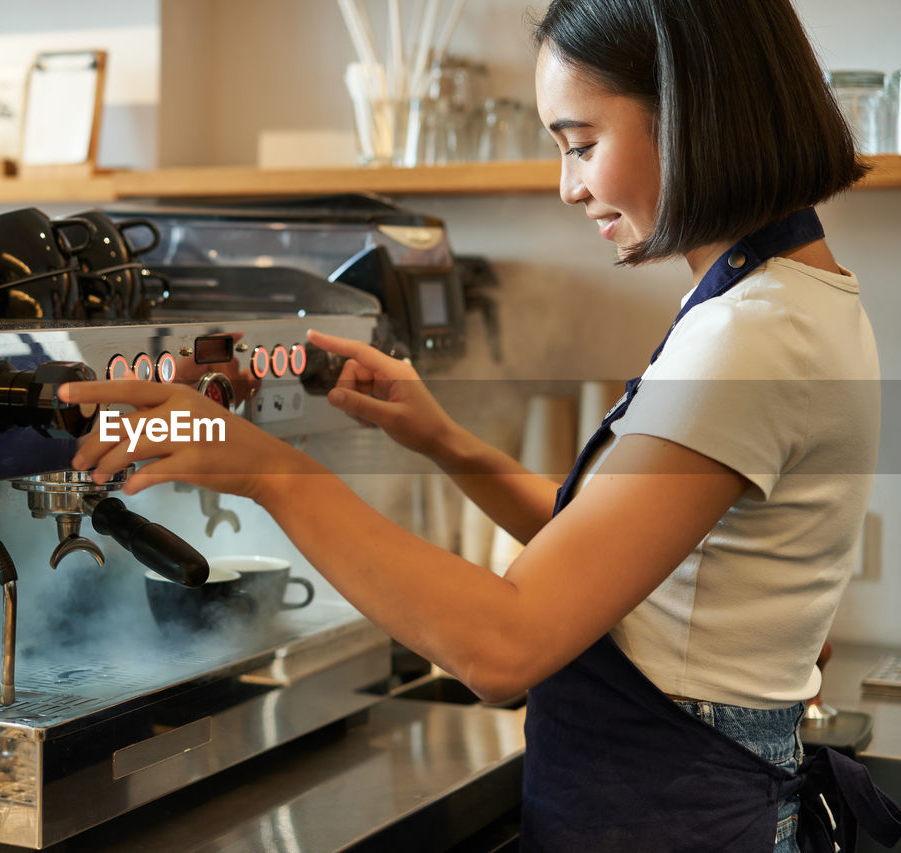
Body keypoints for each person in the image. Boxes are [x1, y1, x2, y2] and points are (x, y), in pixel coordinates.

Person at [60, 0, 901, 849]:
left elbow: (504, 647)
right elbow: (620, 558)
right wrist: (442, 440)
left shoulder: (750, 336)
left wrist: (266, 471)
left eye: (581, 143)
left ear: (694, 115)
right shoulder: (792, 302)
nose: (569, 185)